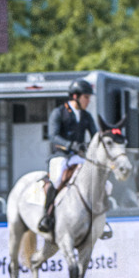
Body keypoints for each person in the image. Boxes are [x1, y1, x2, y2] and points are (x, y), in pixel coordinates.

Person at [38, 79, 97, 233]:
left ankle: (98, 219)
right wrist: (72, 145)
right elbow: (53, 136)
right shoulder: (59, 113)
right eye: (86, 97)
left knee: (96, 179)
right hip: (61, 156)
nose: (88, 101)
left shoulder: (86, 116)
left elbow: (95, 135)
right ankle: (47, 216)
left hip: (79, 157)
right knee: (57, 179)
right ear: (75, 96)